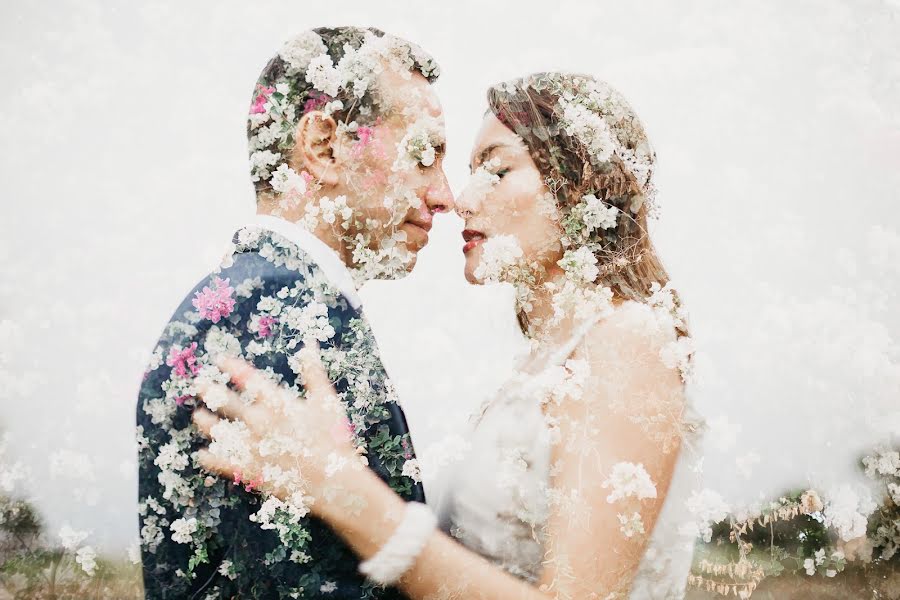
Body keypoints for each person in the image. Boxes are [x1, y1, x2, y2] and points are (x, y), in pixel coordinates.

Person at [192, 72, 707, 599]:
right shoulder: (537, 367)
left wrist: (344, 491)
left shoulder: (629, 341)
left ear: (581, 187)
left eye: (498, 169)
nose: (461, 200)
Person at [136, 26, 453, 599]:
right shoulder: (276, 313)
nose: (445, 195)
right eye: (424, 156)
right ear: (324, 146)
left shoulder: (266, 297)